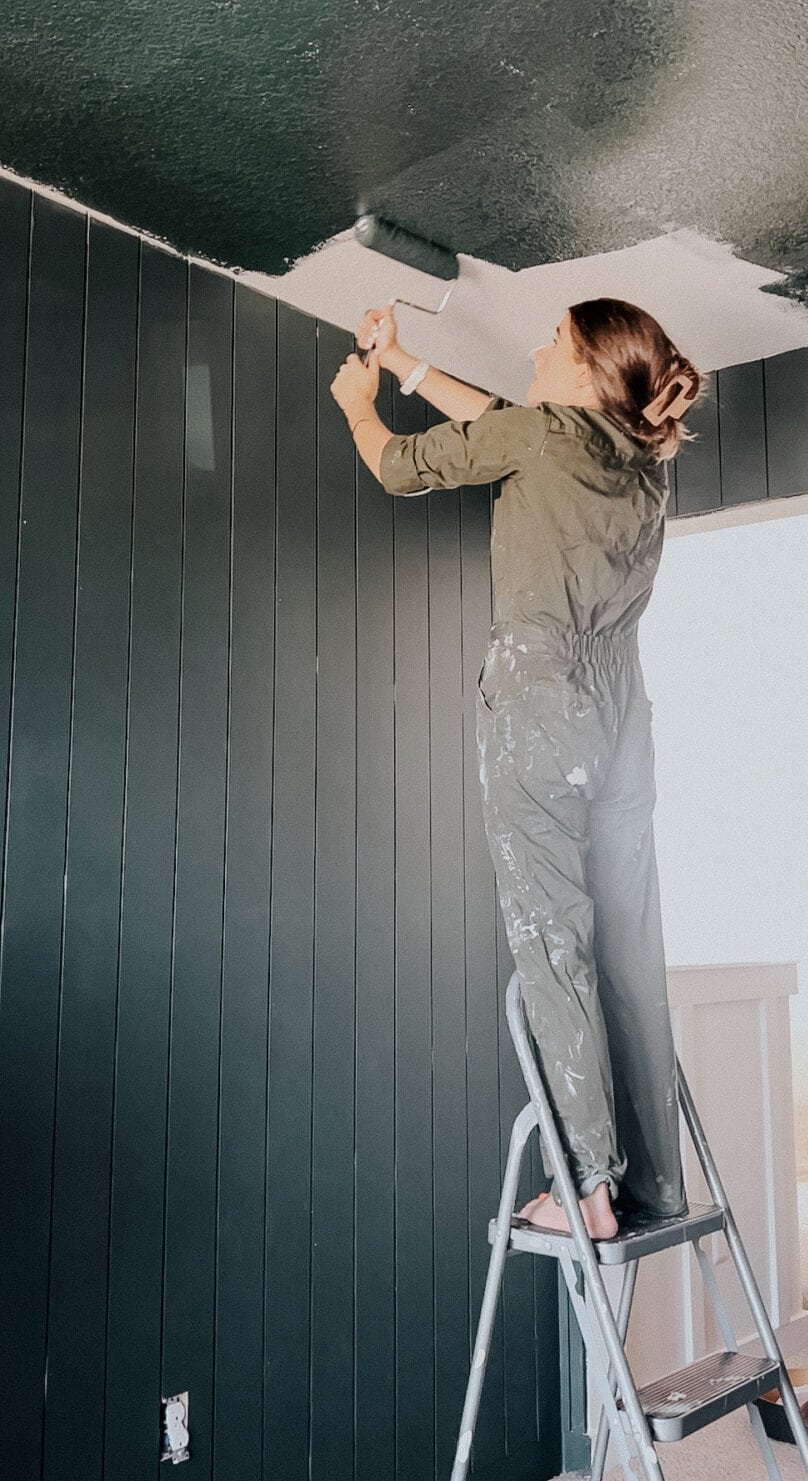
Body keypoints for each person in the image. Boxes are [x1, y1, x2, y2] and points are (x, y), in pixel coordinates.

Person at [330, 297, 705, 1240]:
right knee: (626, 948)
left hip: (541, 708)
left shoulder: (542, 439)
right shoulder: (640, 465)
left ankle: (584, 1186)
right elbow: (503, 422)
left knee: (552, 942)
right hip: (622, 724)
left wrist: (358, 402)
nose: (536, 347)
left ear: (581, 372)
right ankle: (654, 1181)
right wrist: (410, 360)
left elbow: (399, 464)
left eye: (554, 340)